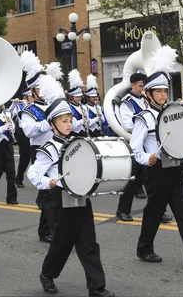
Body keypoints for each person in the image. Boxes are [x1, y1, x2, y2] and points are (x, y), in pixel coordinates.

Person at [28, 76, 114, 297]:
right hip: (58, 200)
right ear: (52, 124)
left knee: (89, 243)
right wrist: (49, 182)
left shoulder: (78, 143)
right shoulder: (48, 149)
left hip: (80, 197)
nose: (68, 124)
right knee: (61, 245)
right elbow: (33, 172)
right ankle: (47, 274)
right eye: (63, 121)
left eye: (69, 120)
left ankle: (96, 287)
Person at [132, 70, 183, 268]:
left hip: (175, 169)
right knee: (154, 213)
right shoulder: (144, 118)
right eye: (157, 91)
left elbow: (180, 139)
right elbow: (135, 147)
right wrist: (146, 158)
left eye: (164, 91)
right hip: (156, 170)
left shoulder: (174, 113)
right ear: (148, 94)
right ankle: (144, 249)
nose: (162, 94)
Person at [19, 53, 55, 242]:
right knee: (49, 193)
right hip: (40, 150)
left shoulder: (52, 105)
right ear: (32, 91)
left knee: (50, 191)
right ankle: (52, 231)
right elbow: (29, 132)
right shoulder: (29, 110)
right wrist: (48, 123)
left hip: (55, 148)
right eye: (40, 87)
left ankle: (44, 230)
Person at [115, 72, 149, 221]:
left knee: (154, 180)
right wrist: (144, 124)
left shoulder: (146, 99)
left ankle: (158, 210)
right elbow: (127, 124)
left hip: (149, 142)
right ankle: (122, 210)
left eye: (144, 86)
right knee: (131, 178)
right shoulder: (126, 102)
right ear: (133, 85)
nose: (143, 89)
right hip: (135, 143)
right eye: (141, 86)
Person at [67, 69, 99, 137]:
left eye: (80, 97)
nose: (79, 99)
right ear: (72, 97)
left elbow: (89, 122)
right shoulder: (68, 108)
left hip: (84, 134)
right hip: (73, 136)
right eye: (77, 97)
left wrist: (87, 119)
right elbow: (71, 126)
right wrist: (82, 121)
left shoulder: (83, 107)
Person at [13, 89, 34, 188]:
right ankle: (18, 179)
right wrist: (15, 103)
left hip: (32, 132)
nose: (32, 98)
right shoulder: (19, 106)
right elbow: (10, 114)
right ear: (26, 97)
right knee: (24, 157)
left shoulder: (34, 106)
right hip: (23, 133)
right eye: (30, 96)